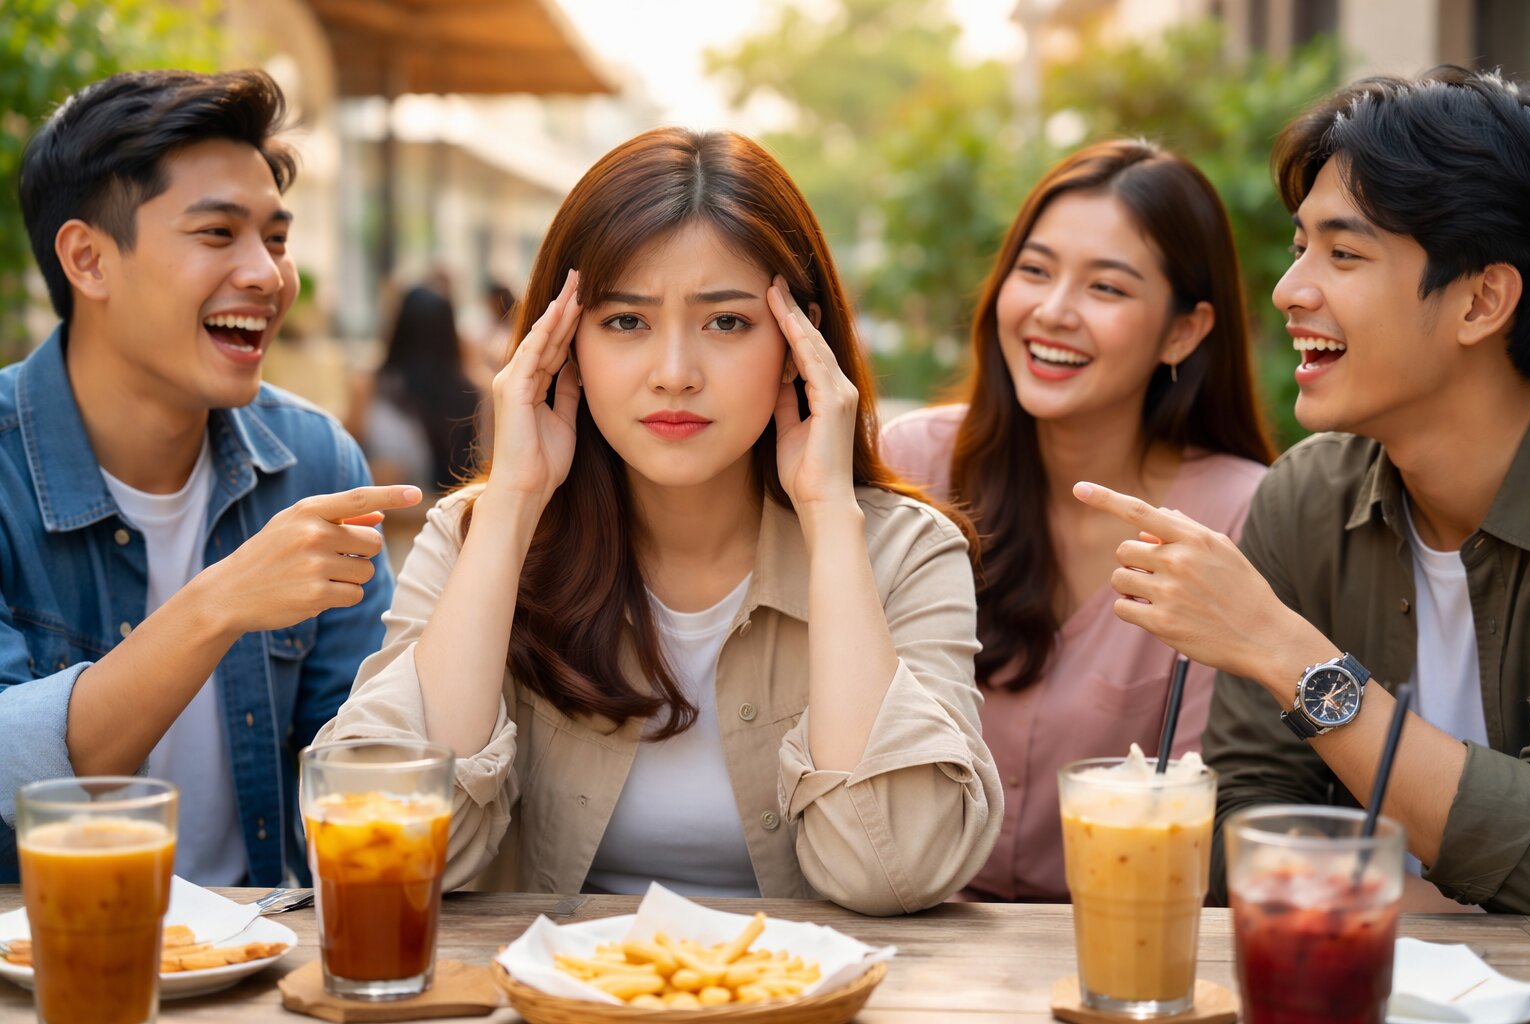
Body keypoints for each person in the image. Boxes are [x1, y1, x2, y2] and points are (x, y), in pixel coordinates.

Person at [317, 126, 1003, 914]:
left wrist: (828, 515)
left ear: (800, 343)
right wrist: (511, 504)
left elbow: (898, 871)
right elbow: (390, 849)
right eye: (626, 322)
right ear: (562, 343)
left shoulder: (903, 551)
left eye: (727, 323)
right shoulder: (477, 537)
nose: (675, 375)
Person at [1072, 66, 1530, 913]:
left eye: (1345, 253)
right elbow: (1244, 808)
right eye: (1299, 249)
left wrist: (1289, 654)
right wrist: (1390, 915)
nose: (1289, 292)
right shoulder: (1308, 495)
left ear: (1482, 301)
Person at [0, 69, 418, 886]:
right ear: (88, 259)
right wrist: (219, 602)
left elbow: (369, 767)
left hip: (264, 969)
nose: (267, 276)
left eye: (277, 237)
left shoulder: (316, 462)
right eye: (218, 234)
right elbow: (13, 775)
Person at [881, 139, 1273, 902]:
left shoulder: (1237, 515)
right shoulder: (913, 467)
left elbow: (1226, 808)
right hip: (915, 936)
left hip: (1132, 952)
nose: (1053, 311)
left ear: (1183, 333)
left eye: (1107, 288)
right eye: (1034, 270)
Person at [349, 284, 482, 494]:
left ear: (399, 327)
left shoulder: (369, 386)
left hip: (385, 517)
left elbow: (349, 455)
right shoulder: (472, 392)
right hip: (453, 515)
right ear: (449, 332)